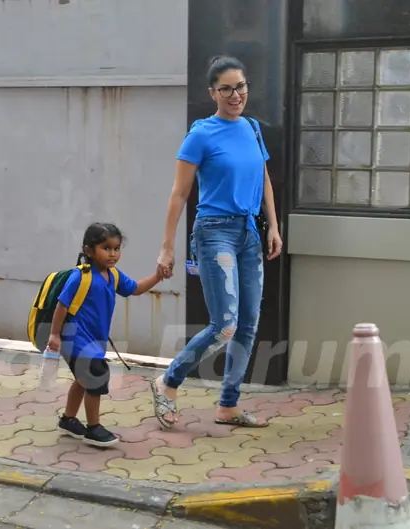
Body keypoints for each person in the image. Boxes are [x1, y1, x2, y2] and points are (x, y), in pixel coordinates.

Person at [150, 56, 283, 430]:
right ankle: (168, 381)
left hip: (249, 234)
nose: (235, 94)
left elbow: (265, 180)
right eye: (226, 88)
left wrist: (273, 226)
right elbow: (179, 194)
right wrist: (167, 246)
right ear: (213, 93)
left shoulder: (253, 129)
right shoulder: (201, 134)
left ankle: (228, 406)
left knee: (248, 325)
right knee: (224, 325)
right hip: (214, 232)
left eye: (240, 86)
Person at [47, 222, 162, 447]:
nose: (113, 254)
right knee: (95, 379)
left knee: (82, 380)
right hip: (75, 338)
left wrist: (158, 276)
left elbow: (136, 288)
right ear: (89, 250)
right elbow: (61, 305)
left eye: (116, 248)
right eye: (106, 248)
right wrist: (54, 335)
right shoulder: (80, 276)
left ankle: (68, 420)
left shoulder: (113, 275)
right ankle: (93, 428)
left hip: (94, 340)